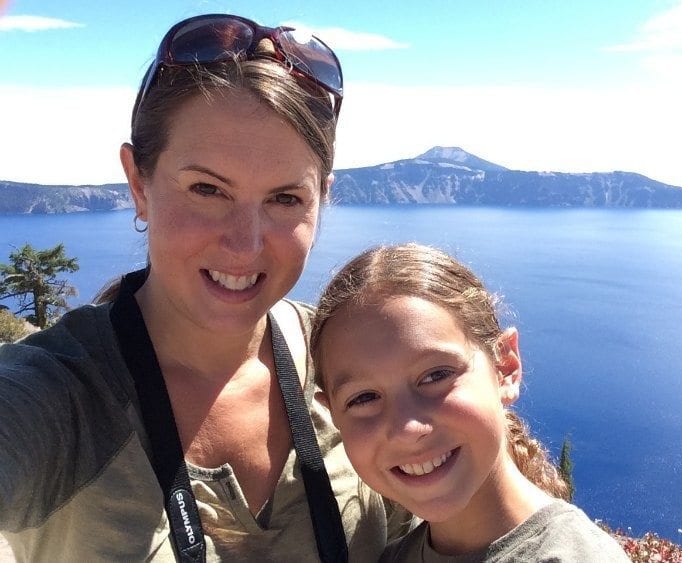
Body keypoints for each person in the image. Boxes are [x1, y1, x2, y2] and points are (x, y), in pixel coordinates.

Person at [0, 14, 394, 562]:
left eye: (285, 199)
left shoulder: (353, 364)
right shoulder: (60, 398)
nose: (244, 244)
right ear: (139, 182)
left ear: (322, 199)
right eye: (207, 189)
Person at [310, 244, 631, 562]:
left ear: (505, 367)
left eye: (436, 375)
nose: (408, 429)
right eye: (364, 398)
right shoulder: (397, 556)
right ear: (332, 412)